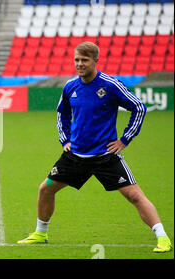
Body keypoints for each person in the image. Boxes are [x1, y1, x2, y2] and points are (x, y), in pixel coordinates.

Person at [17, 42, 172, 253]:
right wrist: (65, 140)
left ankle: (162, 237)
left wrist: (125, 139)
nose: (79, 64)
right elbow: (62, 113)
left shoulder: (110, 85)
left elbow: (138, 107)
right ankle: (40, 233)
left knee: (134, 196)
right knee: (46, 189)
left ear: (95, 61)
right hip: (75, 156)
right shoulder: (70, 86)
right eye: (77, 60)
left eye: (84, 60)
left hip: (105, 156)